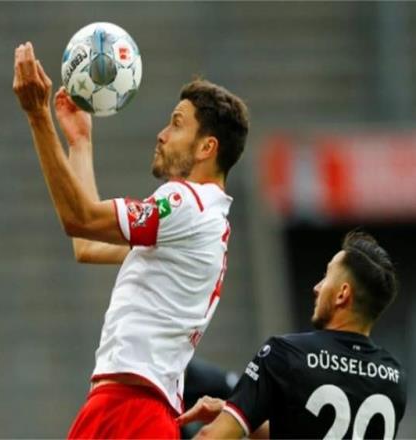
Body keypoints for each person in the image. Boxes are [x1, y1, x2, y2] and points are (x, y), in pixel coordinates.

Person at [13, 42, 249, 439]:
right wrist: (80, 144)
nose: (162, 135)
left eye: (176, 124)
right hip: (127, 406)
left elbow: (80, 218)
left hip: (132, 411)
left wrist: (38, 115)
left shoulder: (186, 203)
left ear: (207, 147)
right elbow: (87, 245)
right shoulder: (202, 222)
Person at [178, 231, 407, 439]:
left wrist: (231, 418)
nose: (317, 287)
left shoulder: (285, 354)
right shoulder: (394, 378)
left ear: (342, 294)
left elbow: (211, 437)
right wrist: (237, 411)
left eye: (326, 277)